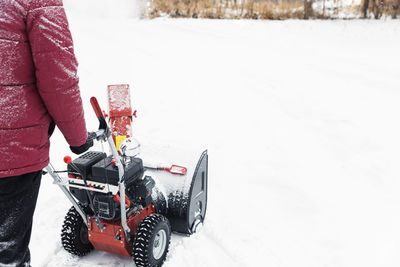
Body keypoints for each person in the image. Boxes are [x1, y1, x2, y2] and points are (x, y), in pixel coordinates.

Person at [0, 0, 92, 266]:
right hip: (12, 153)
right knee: (6, 253)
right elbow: (58, 78)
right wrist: (78, 139)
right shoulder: (38, 3)